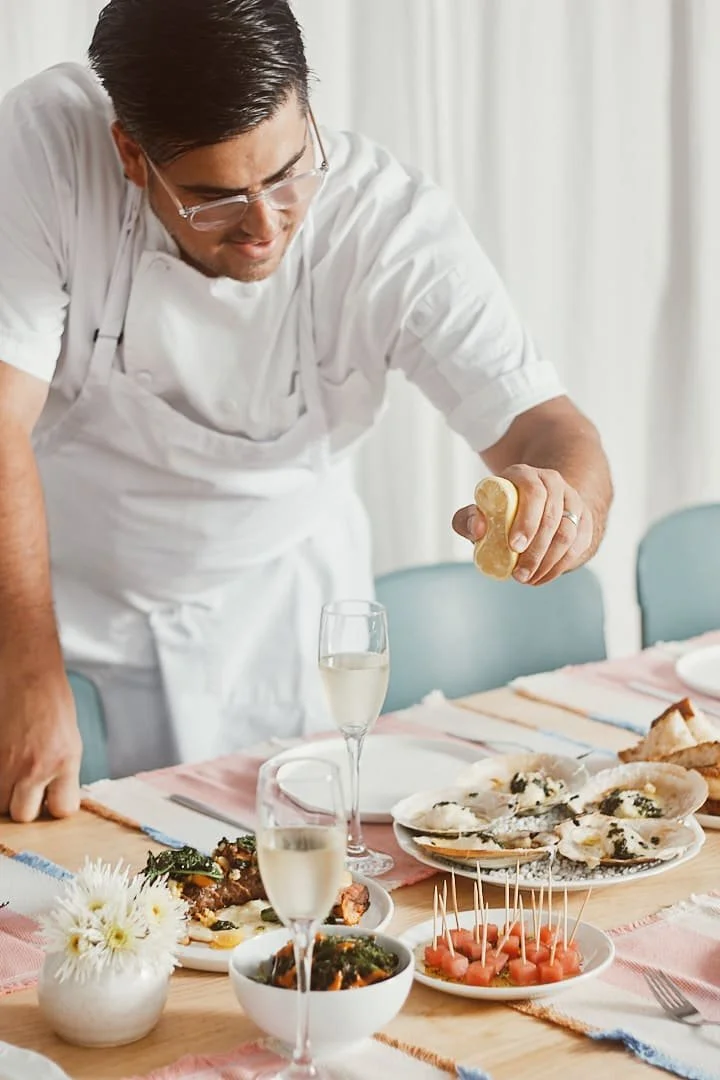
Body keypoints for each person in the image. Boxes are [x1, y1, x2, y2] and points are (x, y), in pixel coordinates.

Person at [0, 0, 612, 824]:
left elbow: (550, 428)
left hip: (287, 617)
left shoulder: (386, 224)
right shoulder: (51, 147)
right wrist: (26, 672)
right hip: (67, 620)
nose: (264, 225)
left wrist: (563, 509)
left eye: (289, 173)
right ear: (131, 156)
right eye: (215, 199)